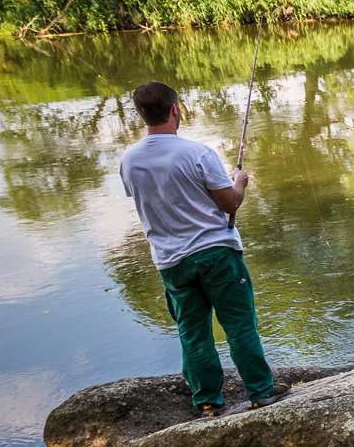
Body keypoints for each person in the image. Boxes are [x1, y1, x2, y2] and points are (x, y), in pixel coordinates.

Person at [119, 81, 288, 418]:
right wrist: (238, 180)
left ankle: (208, 403)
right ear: (174, 110)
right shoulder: (197, 153)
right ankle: (260, 392)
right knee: (239, 326)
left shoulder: (129, 160)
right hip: (216, 254)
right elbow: (229, 204)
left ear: (142, 114)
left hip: (171, 263)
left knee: (193, 334)